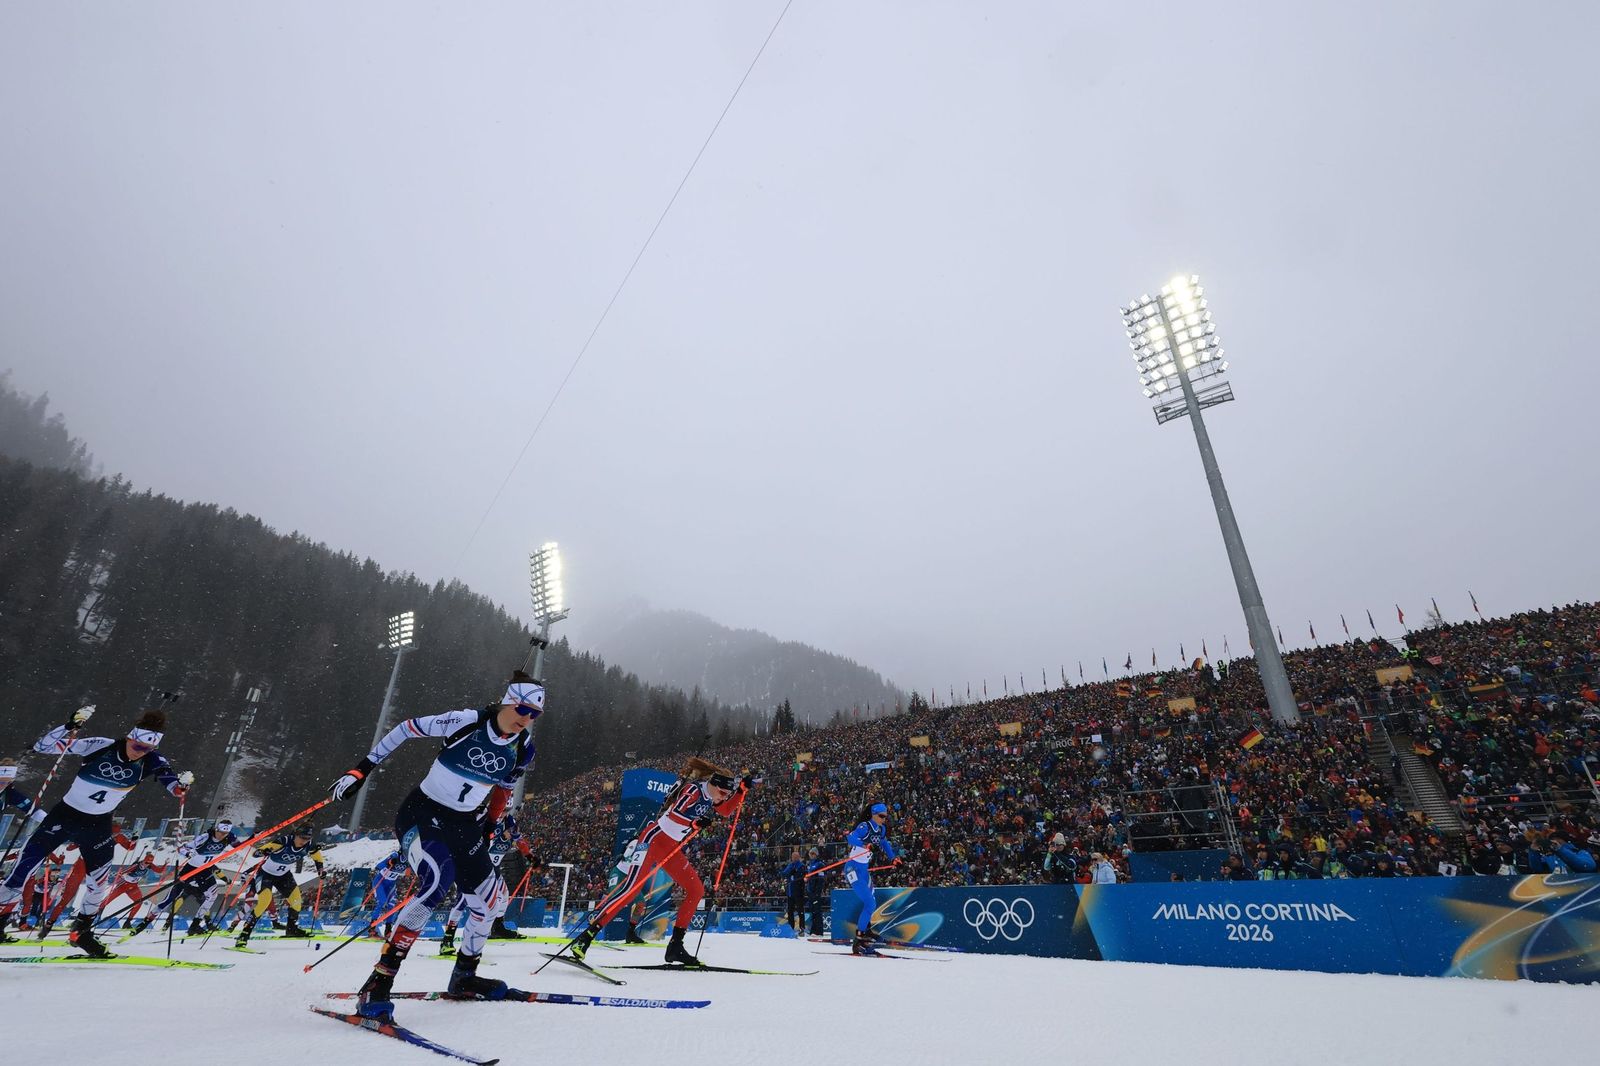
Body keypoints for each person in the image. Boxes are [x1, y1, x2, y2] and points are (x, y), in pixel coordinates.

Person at [329, 670, 543, 1021]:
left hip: (465, 824)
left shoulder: (523, 748)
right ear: (508, 702)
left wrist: (490, 827)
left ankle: (464, 978)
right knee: (437, 882)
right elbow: (406, 728)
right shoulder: (467, 721)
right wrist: (362, 770)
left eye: (534, 714)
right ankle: (378, 982)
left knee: (492, 901)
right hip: (423, 813)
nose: (526, 718)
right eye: (522, 709)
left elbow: (503, 790)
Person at [0, 707, 191, 954]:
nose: (140, 752)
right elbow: (42, 747)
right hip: (65, 816)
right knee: (23, 870)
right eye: (138, 746)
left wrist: (181, 786)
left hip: (98, 825)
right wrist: (68, 727)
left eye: (147, 749)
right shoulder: (101, 746)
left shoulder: (152, 759)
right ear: (130, 737)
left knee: (99, 883)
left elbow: (172, 785)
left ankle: (81, 933)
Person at [569, 759, 748, 967]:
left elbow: (725, 811)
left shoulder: (712, 796)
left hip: (669, 847)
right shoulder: (694, 790)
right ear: (715, 784)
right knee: (630, 890)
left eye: (727, 794)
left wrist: (740, 792)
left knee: (696, 890)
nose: (724, 797)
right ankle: (586, 937)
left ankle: (675, 947)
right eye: (723, 793)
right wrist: (693, 823)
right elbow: (676, 813)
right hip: (652, 839)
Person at [134, 820, 238, 936]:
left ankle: (195, 926)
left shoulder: (229, 837)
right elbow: (181, 849)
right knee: (171, 898)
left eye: (225, 834)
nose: (222, 836)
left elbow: (240, 846)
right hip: (191, 869)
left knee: (212, 895)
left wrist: (253, 837)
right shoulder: (205, 837)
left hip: (205, 870)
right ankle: (145, 922)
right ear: (216, 830)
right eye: (221, 833)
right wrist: (188, 854)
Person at [235, 824, 324, 946]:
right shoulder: (283, 841)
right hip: (266, 875)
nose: (304, 841)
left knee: (297, 901)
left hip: (283, 876)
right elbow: (255, 854)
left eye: (307, 838)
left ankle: (291, 929)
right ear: (296, 835)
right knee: (264, 902)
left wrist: (320, 870)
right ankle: (244, 933)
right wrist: (263, 851)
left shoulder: (310, 845)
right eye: (302, 838)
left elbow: (317, 857)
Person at [843, 802, 898, 955]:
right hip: (853, 869)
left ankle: (866, 930)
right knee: (869, 903)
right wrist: (864, 844)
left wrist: (894, 858)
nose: (884, 819)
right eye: (881, 816)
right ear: (874, 815)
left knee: (871, 900)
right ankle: (859, 940)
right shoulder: (864, 826)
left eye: (885, 817)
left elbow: (885, 843)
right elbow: (851, 838)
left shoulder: (881, 829)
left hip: (864, 870)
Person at [367, 850, 405, 941]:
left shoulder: (409, 861)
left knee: (392, 906)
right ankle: (372, 929)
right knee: (382, 902)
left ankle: (388, 930)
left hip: (391, 884)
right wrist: (389, 863)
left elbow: (409, 872)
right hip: (380, 882)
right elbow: (379, 865)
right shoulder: (395, 855)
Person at [780, 848, 807, 932]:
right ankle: (790, 927)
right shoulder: (790, 865)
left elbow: (801, 875)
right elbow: (784, 873)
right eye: (793, 857)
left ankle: (802, 928)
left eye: (796, 857)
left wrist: (794, 873)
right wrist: (790, 872)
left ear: (798, 857)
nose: (794, 858)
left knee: (800, 910)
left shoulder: (801, 865)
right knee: (790, 911)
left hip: (798, 891)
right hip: (790, 891)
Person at [804, 847, 828, 936]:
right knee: (813, 911)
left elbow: (821, 879)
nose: (811, 855)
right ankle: (813, 931)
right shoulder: (811, 864)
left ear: (816, 854)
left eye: (812, 853)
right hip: (810, 891)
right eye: (810, 854)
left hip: (816, 892)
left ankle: (819, 931)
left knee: (817, 911)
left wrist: (817, 892)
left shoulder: (820, 864)